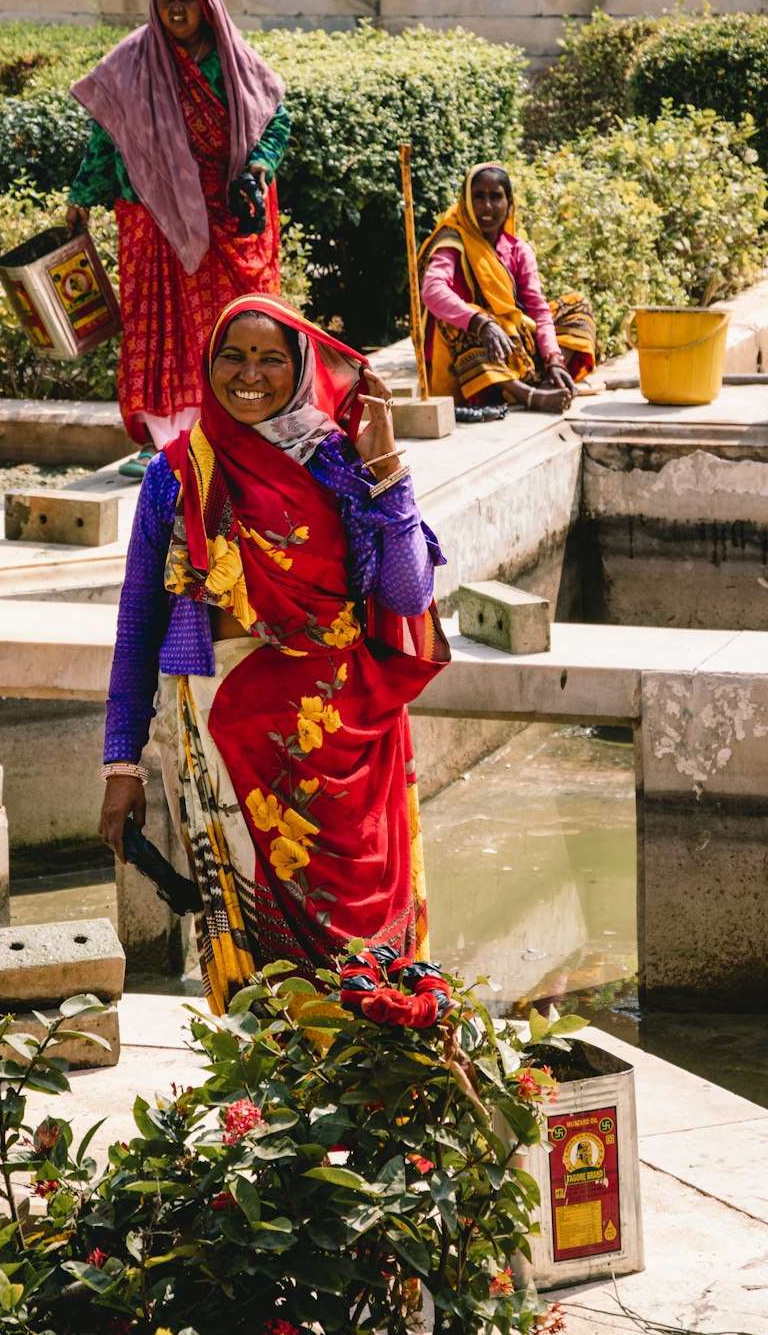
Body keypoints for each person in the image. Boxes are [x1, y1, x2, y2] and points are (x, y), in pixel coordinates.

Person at [98, 292, 449, 1012]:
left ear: (299, 368)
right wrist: (120, 764)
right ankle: (270, 1115)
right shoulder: (175, 475)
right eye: (233, 355)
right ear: (209, 363)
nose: (248, 374)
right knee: (261, 956)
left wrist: (387, 466)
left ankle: (369, 1095)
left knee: (362, 948)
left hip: (350, 738)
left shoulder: (343, 464)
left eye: (269, 359)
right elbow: (137, 628)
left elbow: (408, 594)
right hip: (231, 738)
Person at [66, 0, 290, 479]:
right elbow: (107, 135)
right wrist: (81, 193)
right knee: (158, 325)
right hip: (150, 217)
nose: (176, 9)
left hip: (220, 216)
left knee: (223, 322)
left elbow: (273, 116)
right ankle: (164, 441)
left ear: (205, 2)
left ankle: (232, 427)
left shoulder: (230, 60)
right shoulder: (132, 62)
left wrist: (259, 167)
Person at [419, 162, 596, 413]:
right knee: (454, 320)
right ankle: (528, 394)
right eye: (478, 196)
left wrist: (554, 359)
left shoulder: (517, 249)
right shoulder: (452, 243)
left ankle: (550, 379)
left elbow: (538, 309)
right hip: (480, 356)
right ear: (465, 202)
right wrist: (481, 322)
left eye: (496, 197)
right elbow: (432, 291)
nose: (486, 206)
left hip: (516, 344)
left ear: (509, 203)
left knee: (577, 305)